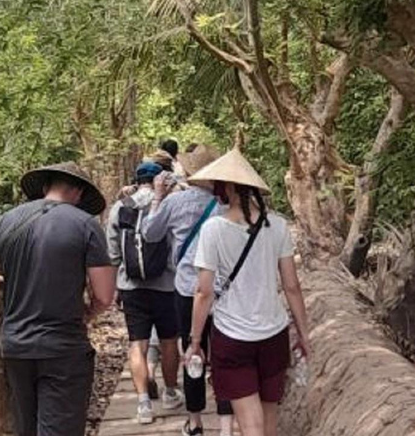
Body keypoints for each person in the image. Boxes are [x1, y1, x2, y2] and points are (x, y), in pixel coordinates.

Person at [0, 162, 116, 436]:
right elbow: (105, 295)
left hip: (16, 346)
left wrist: (4, 286)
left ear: (45, 186)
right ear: (79, 193)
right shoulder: (85, 225)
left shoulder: (6, 221)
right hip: (63, 347)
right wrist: (89, 312)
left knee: (27, 428)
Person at [184, 149, 312, 436]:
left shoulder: (213, 229)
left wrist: (195, 342)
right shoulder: (277, 226)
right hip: (274, 334)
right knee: (268, 421)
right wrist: (303, 334)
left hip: (232, 337)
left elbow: (203, 292)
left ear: (225, 188)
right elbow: (292, 286)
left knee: (251, 426)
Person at [141, 144, 235, 436]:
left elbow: (150, 233)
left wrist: (158, 197)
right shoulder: (226, 206)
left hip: (185, 289)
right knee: (223, 356)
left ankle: (195, 422)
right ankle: (226, 425)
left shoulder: (175, 202)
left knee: (192, 353)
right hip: (220, 291)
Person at [106, 162, 185, 424]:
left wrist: (116, 283)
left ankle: (142, 405)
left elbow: (113, 251)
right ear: (158, 180)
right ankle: (171, 392)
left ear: (136, 179)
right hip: (165, 285)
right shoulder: (167, 203)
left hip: (131, 287)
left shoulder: (121, 206)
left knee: (137, 343)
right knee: (169, 341)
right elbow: (175, 242)